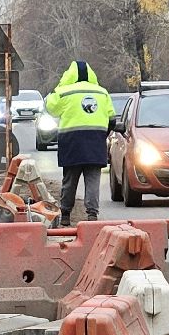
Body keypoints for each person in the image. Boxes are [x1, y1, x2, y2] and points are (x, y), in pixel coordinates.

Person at [44, 60, 114, 223]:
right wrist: (101, 135)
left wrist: (57, 88)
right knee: (93, 181)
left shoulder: (64, 92)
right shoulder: (102, 93)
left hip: (71, 143)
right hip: (95, 143)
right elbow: (111, 119)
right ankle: (92, 214)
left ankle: (66, 215)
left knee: (70, 180)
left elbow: (50, 108)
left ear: (70, 75)